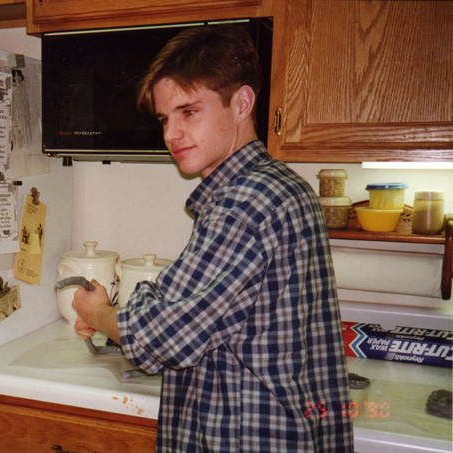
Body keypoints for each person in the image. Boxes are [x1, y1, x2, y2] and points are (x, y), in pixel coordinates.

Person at [72, 25, 353, 452]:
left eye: (189, 112)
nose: (170, 135)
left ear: (241, 103)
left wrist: (99, 315)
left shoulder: (246, 201)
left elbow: (163, 336)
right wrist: (121, 318)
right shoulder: (279, 185)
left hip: (247, 435)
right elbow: (177, 300)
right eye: (166, 118)